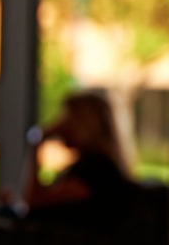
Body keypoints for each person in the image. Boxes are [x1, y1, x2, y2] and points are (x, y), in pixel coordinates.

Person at [20, 90, 132, 225]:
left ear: (85, 125)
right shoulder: (95, 166)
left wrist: (36, 145)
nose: (60, 124)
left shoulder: (96, 169)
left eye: (67, 119)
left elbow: (36, 204)